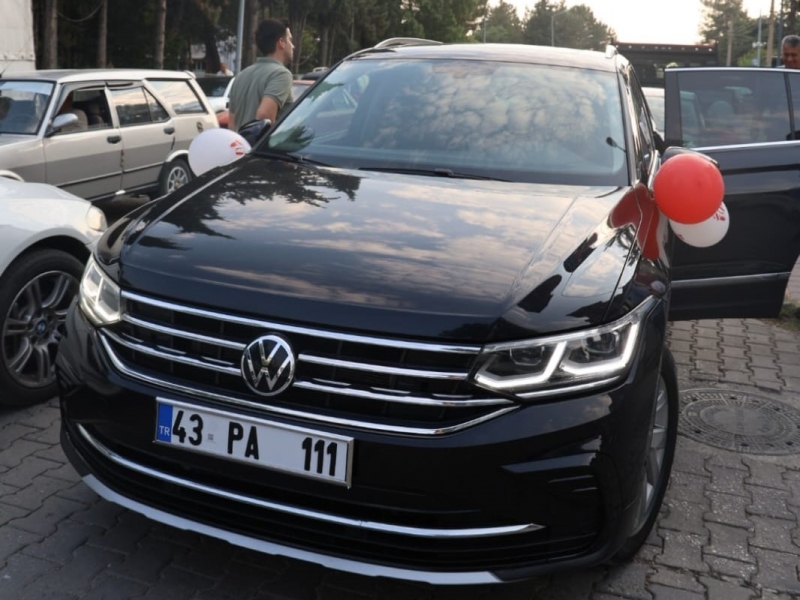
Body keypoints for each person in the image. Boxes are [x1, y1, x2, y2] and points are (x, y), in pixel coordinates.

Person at [228, 18, 294, 131]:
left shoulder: (241, 75)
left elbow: (232, 124)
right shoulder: (281, 74)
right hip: (263, 143)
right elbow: (264, 116)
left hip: (240, 142)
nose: (293, 46)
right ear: (281, 42)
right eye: (290, 40)